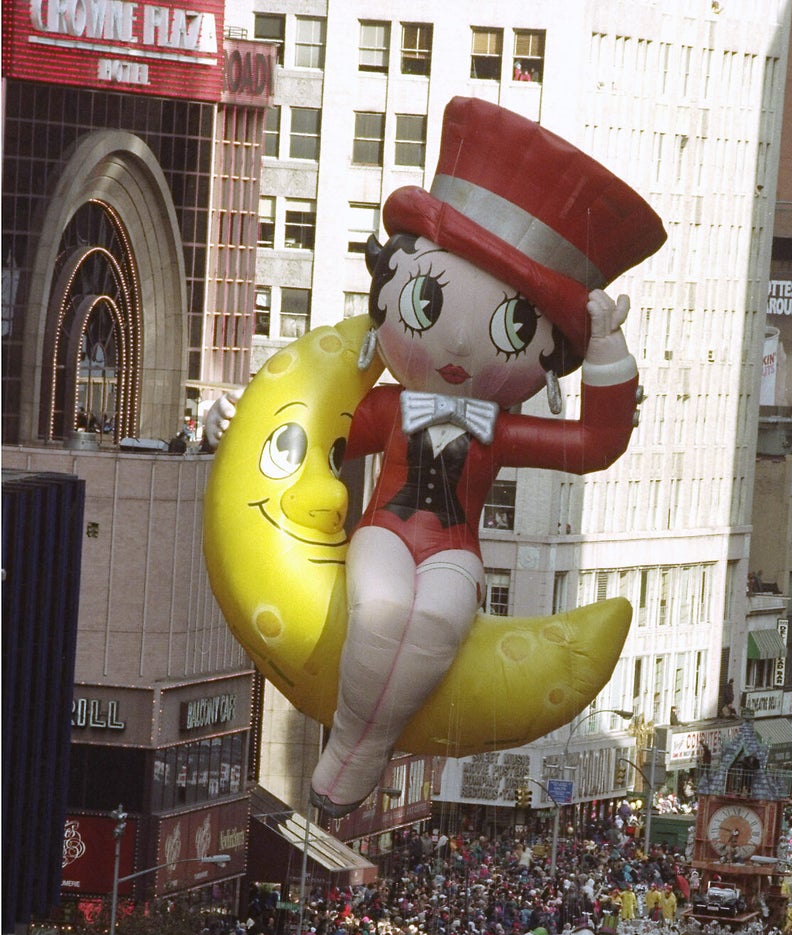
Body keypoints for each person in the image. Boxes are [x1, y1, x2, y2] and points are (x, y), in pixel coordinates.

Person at [204, 98, 663, 816]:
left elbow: (594, 444)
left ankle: (360, 746)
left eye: (513, 326)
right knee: (383, 609)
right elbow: (317, 434)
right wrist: (238, 425)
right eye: (426, 307)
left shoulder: (497, 427)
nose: (453, 349)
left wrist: (609, 352)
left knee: (440, 618)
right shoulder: (389, 409)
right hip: (386, 531)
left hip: (454, 550)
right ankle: (358, 746)